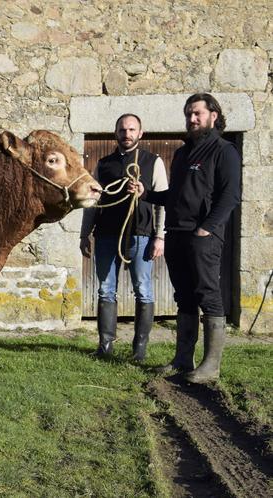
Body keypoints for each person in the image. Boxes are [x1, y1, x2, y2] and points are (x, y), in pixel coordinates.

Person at [130, 93, 241, 383]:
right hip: (176, 234)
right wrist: (146, 194)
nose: (192, 119)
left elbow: (231, 196)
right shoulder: (182, 153)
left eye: (197, 113)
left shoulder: (224, 151)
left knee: (208, 295)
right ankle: (182, 359)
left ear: (213, 116)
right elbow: (175, 195)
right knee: (184, 297)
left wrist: (207, 228)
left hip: (203, 236)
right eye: (188, 114)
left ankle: (211, 367)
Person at [80, 114, 168, 361]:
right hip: (106, 235)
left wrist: (160, 236)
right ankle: (105, 347)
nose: (126, 134)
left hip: (141, 235)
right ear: (115, 133)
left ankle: (139, 350)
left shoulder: (153, 161)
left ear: (140, 133)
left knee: (143, 290)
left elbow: (163, 202)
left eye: (131, 130)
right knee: (105, 290)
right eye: (122, 130)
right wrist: (85, 234)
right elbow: (92, 202)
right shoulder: (103, 164)